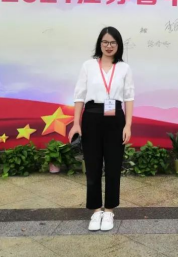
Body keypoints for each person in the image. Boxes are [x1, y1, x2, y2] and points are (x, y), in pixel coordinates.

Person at [68, 27, 134, 232]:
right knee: (93, 166)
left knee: (113, 165)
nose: (109, 46)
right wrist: (76, 123)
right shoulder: (88, 66)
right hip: (91, 117)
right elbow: (79, 95)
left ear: (118, 45)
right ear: (99, 43)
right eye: (105, 42)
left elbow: (129, 97)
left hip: (116, 119)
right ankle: (96, 210)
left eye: (113, 42)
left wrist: (128, 125)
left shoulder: (124, 68)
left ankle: (110, 211)